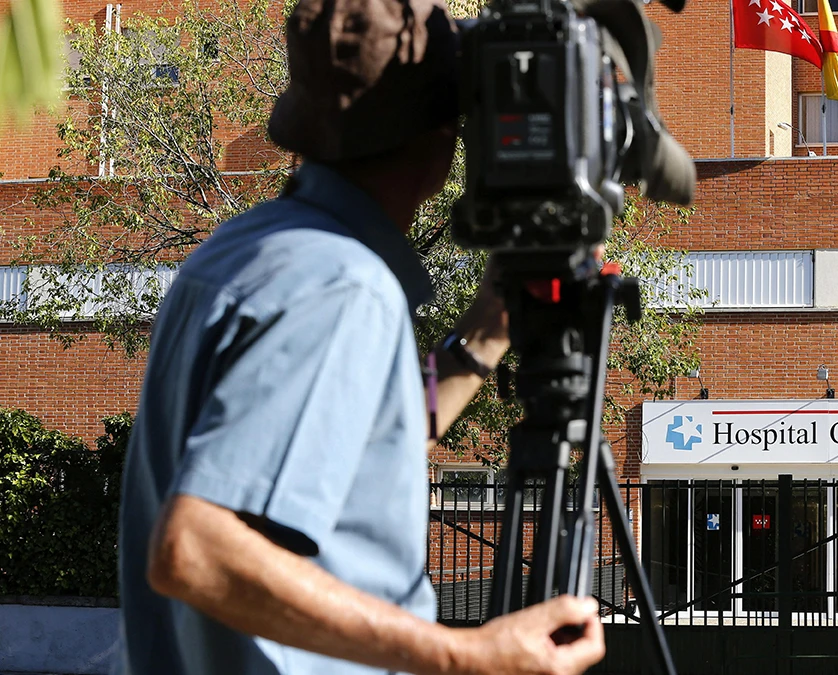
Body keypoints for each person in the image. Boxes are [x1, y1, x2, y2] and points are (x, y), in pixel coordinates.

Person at [114, 0, 606, 673]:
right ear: (442, 139)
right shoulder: (343, 287)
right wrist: (466, 654)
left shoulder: (239, 250)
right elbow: (193, 549)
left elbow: (353, 447)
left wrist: (484, 336)